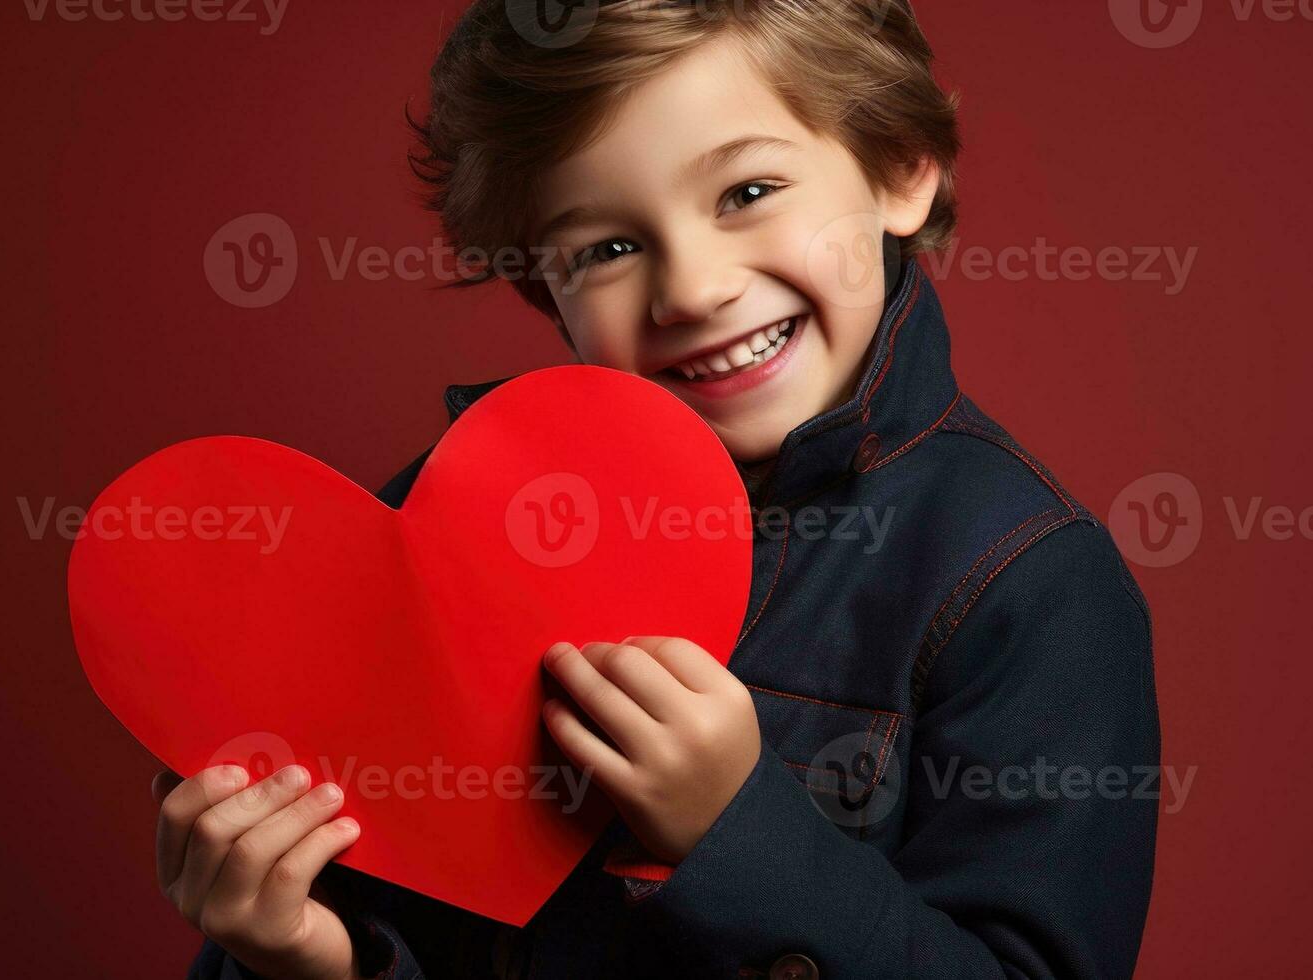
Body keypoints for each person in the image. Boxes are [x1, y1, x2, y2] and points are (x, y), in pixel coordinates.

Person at [158, 2, 1160, 976]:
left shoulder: (1024, 582)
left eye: (747, 192)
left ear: (899, 168)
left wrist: (732, 829)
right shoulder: (443, 526)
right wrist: (302, 958)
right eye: (606, 249)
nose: (690, 287)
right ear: (542, 286)